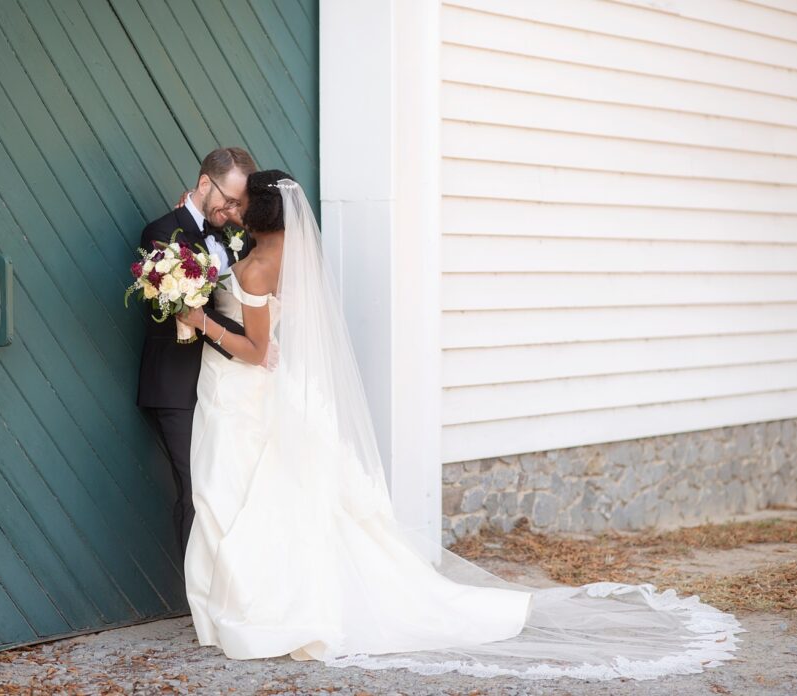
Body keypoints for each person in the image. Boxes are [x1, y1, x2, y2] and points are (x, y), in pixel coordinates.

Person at [175, 170, 744, 681]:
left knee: (259, 494)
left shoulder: (256, 264)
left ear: (257, 212)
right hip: (287, 391)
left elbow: (257, 350)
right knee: (296, 500)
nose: (235, 206)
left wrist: (199, 319)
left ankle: (276, 602)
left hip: (255, 387)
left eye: (243, 201)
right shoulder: (291, 254)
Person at [135, 147, 256, 559]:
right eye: (229, 199)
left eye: (241, 203)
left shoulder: (234, 235)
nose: (233, 209)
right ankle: (197, 604)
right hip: (178, 385)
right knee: (196, 490)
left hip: (226, 386)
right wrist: (253, 345)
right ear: (204, 183)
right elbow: (175, 308)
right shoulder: (161, 232)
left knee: (227, 489)